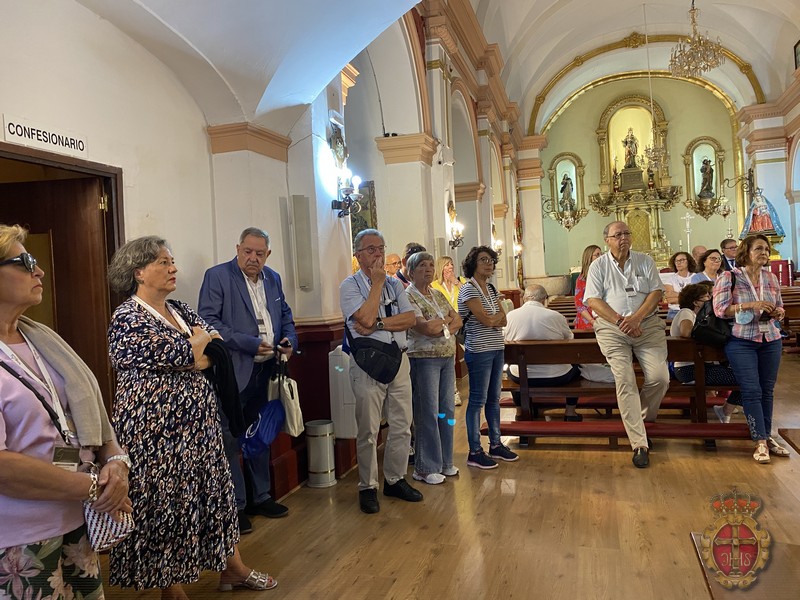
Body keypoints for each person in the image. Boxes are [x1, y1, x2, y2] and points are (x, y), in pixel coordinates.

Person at [107, 236, 276, 597]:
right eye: (163, 263)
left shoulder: (180, 309)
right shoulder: (127, 317)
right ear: (138, 272)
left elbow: (216, 348)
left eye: (172, 261)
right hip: (154, 430)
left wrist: (193, 351)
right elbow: (184, 353)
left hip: (199, 425)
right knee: (164, 504)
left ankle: (232, 569)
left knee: (213, 495)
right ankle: (171, 589)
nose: (174, 268)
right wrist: (193, 349)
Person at [0, 224, 131, 600]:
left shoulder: (40, 339)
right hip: (19, 540)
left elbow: (89, 417)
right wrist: (94, 488)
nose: (39, 271)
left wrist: (116, 462)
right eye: (25, 262)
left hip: (77, 523)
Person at [198, 227, 295, 534]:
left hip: (267, 371)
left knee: (259, 434)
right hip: (233, 372)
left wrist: (289, 340)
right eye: (248, 252)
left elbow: (285, 315)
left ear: (268, 254)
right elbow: (208, 322)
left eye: (260, 253)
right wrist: (249, 343)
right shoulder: (217, 276)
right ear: (238, 249)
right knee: (230, 439)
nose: (253, 258)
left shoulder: (273, 278)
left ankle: (261, 496)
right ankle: (236, 506)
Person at [340, 229, 422, 514]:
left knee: (402, 424)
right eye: (371, 249)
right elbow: (362, 318)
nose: (378, 254)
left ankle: (395, 479)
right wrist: (376, 283)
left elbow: (409, 319)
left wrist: (379, 324)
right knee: (369, 428)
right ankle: (367, 486)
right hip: (368, 364)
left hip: (399, 359)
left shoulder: (396, 285)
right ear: (358, 255)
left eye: (381, 248)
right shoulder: (349, 286)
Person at [585, 221, 668, 468]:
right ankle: (639, 443)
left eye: (626, 233)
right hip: (612, 329)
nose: (623, 237)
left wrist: (637, 318)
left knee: (660, 378)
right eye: (617, 234)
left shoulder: (645, 261)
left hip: (646, 325)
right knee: (625, 379)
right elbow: (593, 300)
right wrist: (622, 321)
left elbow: (656, 292)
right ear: (607, 240)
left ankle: (639, 420)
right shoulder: (598, 266)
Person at [712, 234, 790, 463]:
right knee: (751, 390)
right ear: (746, 252)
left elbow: (780, 305)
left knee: (767, 390)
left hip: (771, 338)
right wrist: (750, 305)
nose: (764, 252)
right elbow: (720, 310)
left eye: (766, 249)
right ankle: (760, 440)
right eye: (758, 248)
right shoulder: (730, 276)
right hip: (742, 340)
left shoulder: (771, 277)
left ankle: (766, 436)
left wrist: (779, 312)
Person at [405, 251, 462, 484]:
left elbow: (458, 319)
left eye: (430, 265)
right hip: (423, 358)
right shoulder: (408, 296)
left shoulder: (437, 294)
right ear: (411, 272)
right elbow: (425, 328)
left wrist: (442, 324)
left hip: (447, 356)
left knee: (446, 410)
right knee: (427, 411)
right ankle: (425, 467)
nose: (428, 269)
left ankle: (445, 462)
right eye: (422, 266)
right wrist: (444, 323)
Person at [458, 245, 516, 469]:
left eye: (491, 260)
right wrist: (494, 318)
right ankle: (474, 451)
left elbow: (504, 319)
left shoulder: (490, 288)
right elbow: (487, 320)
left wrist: (495, 318)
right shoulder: (468, 289)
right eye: (483, 259)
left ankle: (496, 444)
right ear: (473, 263)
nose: (489, 263)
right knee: (477, 400)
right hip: (479, 350)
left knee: (494, 398)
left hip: (496, 347)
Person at [505, 285, 583, 421]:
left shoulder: (510, 316)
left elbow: (505, 339)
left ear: (524, 298)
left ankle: (520, 412)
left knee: (513, 369)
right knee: (577, 368)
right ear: (544, 299)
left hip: (521, 376)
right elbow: (569, 339)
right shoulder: (556, 316)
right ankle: (570, 412)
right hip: (556, 376)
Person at [670, 283, 741, 423]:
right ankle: (726, 411)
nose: (710, 299)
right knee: (747, 378)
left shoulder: (699, 316)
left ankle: (725, 410)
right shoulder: (687, 312)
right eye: (706, 297)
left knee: (748, 376)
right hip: (690, 370)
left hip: (698, 368)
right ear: (695, 302)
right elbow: (686, 332)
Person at [431, 255, 464, 406]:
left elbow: (469, 295)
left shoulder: (461, 281)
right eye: (447, 265)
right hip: (447, 325)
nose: (450, 267)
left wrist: (456, 282)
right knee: (450, 358)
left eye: (451, 264)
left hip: (462, 323)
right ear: (440, 268)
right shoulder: (434, 286)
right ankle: (453, 392)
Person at [574, 245, 602, 329]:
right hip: (587, 321)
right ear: (589, 258)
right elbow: (579, 305)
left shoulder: (604, 275)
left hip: (603, 317)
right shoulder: (582, 279)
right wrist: (592, 321)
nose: (601, 257)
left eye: (601, 254)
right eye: (597, 255)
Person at [664, 252, 696, 319]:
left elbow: (696, 299)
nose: (678, 263)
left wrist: (677, 295)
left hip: (692, 311)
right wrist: (688, 297)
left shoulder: (695, 277)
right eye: (676, 261)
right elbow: (670, 299)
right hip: (674, 312)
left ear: (688, 261)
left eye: (682, 260)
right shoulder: (670, 279)